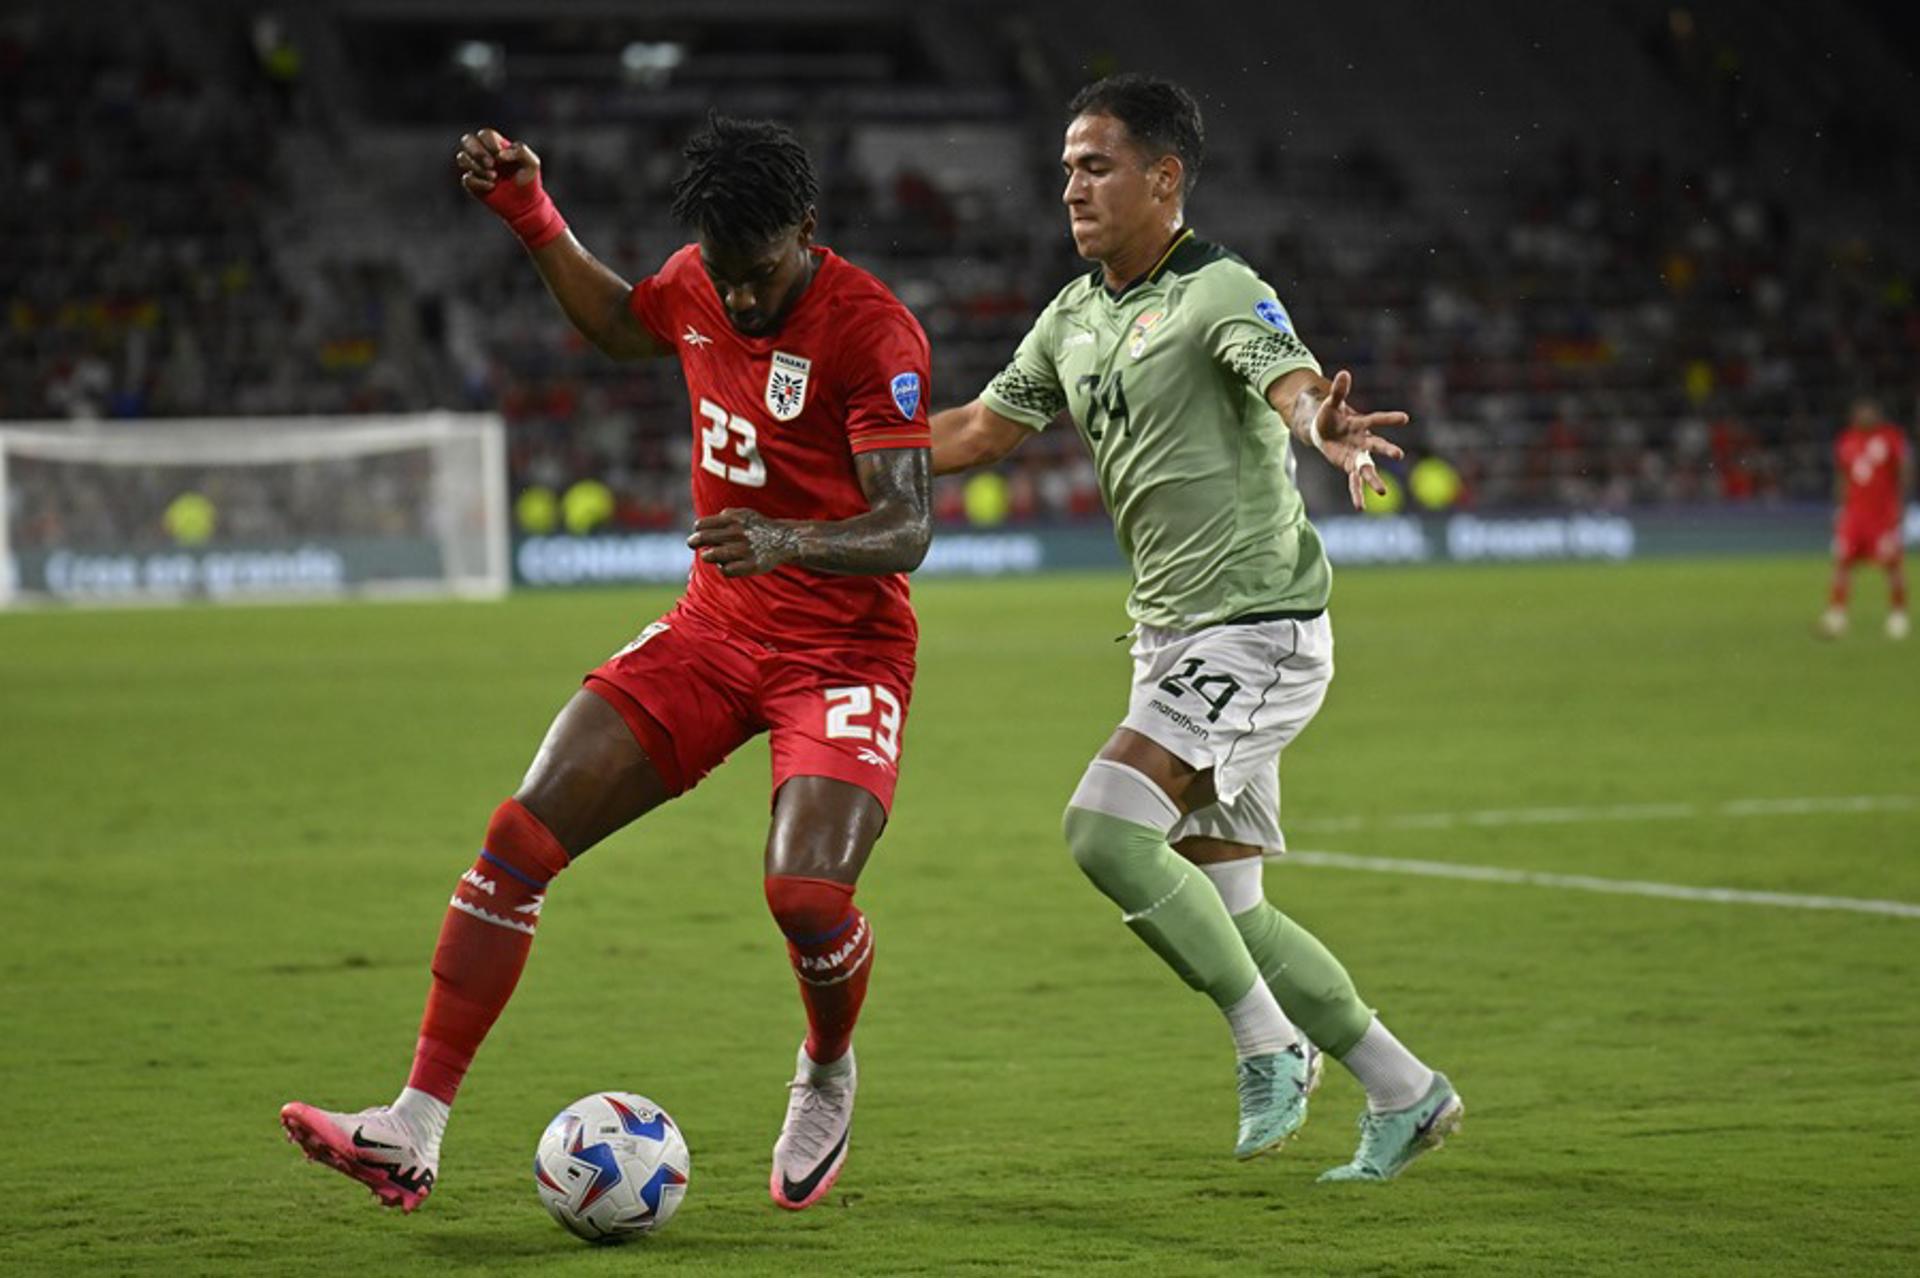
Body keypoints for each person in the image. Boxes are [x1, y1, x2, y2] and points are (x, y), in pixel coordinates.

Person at [280, 114, 934, 1214]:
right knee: (519, 835)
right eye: (723, 277)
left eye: (759, 274)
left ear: (808, 232)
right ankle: (413, 1125)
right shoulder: (698, 280)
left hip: (843, 652)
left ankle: (825, 1069)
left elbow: (906, 526)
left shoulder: (875, 332)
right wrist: (531, 215)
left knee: (806, 894)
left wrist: (787, 538)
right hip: (714, 630)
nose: (735, 301)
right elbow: (626, 327)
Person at [930, 74, 1461, 1180]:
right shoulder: (1074, 314)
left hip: (1259, 629)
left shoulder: (1221, 290)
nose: (1070, 184)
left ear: (1164, 179)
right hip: (1169, 642)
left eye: (1097, 164)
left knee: (1104, 829)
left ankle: (1269, 1046)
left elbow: (1293, 384)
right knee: (1235, 912)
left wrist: (1333, 429)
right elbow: (980, 429)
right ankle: (1408, 1092)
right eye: (1067, 164)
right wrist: (842, 454)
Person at [1819, 397, 1911, 640]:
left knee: (1892, 566)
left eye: (1869, 412)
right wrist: (1839, 509)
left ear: (1877, 413)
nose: (1865, 416)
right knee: (1842, 563)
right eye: (1860, 412)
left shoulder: (1892, 438)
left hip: (1883, 516)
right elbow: (1841, 477)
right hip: (1854, 516)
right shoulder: (1846, 440)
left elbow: (1905, 470)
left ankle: (1898, 614)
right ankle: (1837, 613)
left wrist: (1901, 504)